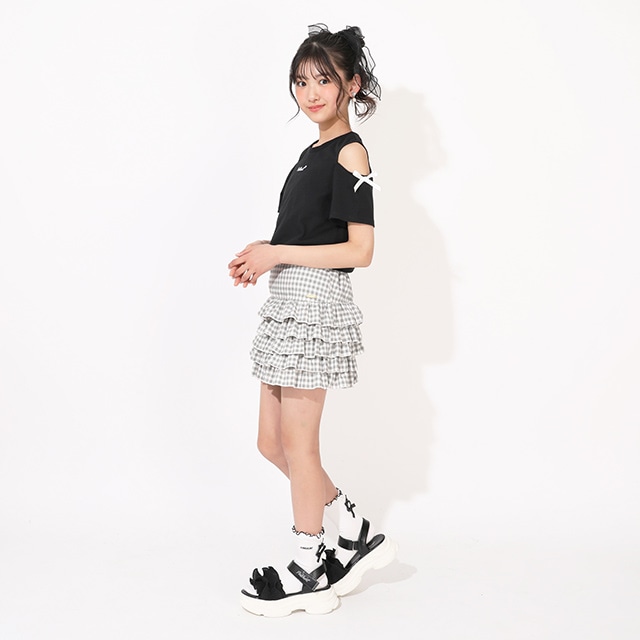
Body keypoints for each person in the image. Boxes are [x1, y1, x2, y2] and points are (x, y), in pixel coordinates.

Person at [228, 24, 397, 617]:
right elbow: (307, 235)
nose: (310, 92)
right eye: (301, 82)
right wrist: (266, 252)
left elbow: (360, 250)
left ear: (352, 84)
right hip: (288, 301)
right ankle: (351, 525)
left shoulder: (350, 152)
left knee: (300, 445)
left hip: (317, 306)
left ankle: (311, 566)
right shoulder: (309, 156)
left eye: (324, 79)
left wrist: (279, 252)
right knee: (270, 442)